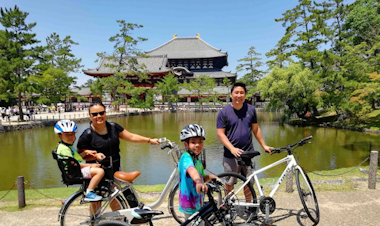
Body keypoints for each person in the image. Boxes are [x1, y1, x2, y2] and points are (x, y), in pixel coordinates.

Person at [216, 82, 272, 211]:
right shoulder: (224, 112)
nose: (239, 95)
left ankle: (250, 207)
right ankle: (228, 207)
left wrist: (264, 145)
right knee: (229, 183)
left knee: (249, 183)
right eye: (236, 92)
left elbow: (256, 129)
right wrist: (232, 148)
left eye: (241, 93)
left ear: (245, 95)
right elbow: (220, 133)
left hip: (248, 153)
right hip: (231, 155)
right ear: (231, 94)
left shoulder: (251, 110)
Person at [54, 120, 105, 201]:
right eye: (67, 134)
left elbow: (74, 159)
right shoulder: (64, 149)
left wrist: (85, 153)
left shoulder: (65, 146)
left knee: (98, 169)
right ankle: (89, 193)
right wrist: (91, 165)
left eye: (72, 134)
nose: (70, 137)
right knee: (100, 171)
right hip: (75, 172)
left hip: (75, 170)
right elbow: (73, 163)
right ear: (60, 135)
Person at [178, 124, 218, 224]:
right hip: (189, 204)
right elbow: (192, 170)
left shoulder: (197, 159)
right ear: (186, 145)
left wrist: (211, 177)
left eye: (200, 142)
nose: (197, 145)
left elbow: (202, 177)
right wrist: (198, 181)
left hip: (197, 202)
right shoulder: (186, 158)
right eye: (193, 142)